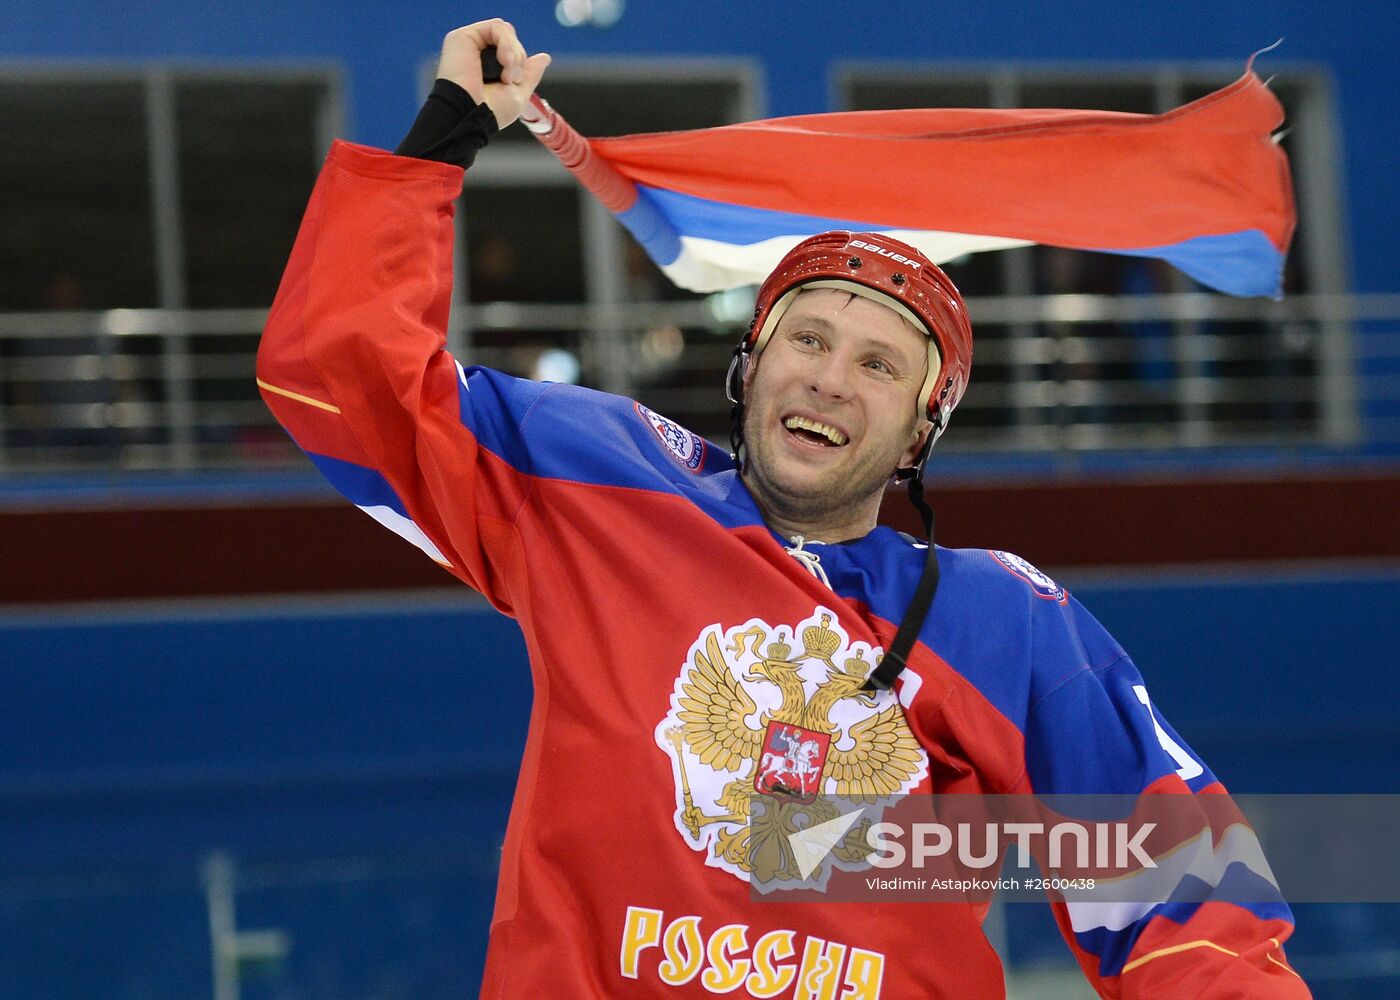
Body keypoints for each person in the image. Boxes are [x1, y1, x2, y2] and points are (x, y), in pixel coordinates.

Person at [257, 18, 1309, 999]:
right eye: (806, 339)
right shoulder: (602, 488)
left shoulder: (1004, 622)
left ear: (919, 435)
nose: (829, 379)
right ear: (748, 368)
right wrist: (444, 135)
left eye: (879, 365)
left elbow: (1184, 893)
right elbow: (340, 377)